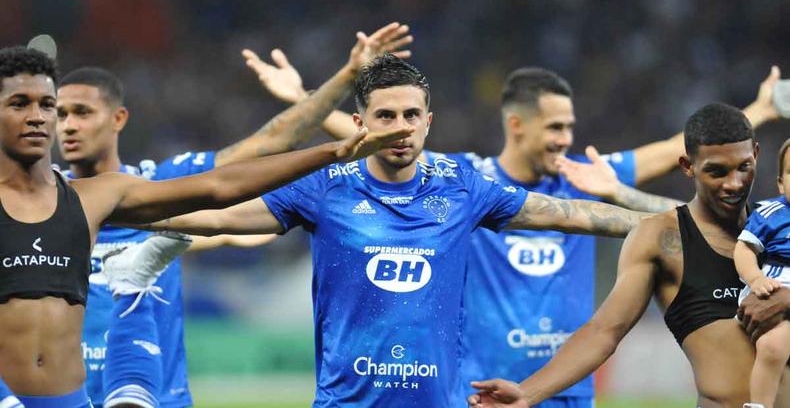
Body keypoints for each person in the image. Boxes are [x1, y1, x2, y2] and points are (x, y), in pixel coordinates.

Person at [253, 56, 784, 406]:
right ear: (517, 125)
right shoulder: (466, 183)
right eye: (556, 127)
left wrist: (758, 109)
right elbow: (392, 136)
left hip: (568, 390)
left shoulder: (581, 177)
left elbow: (697, 150)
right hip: (486, 389)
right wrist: (305, 99)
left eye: (570, 127)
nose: (566, 138)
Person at [138, 55, 651, 407]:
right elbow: (222, 215)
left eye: (411, 115)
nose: (400, 127)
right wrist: (113, 213)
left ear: (429, 121)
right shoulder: (325, 188)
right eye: (385, 115)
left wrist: (664, 226)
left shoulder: (462, 188)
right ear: (361, 122)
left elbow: (568, 214)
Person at [0, 44, 411, 408]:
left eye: (48, 106)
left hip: (107, 392)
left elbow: (223, 184)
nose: (46, 119)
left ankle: (134, 285)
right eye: (20, 103)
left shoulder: (106, 194)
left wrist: (333, 151)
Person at [467, 103, 790, 408]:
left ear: (757, 155)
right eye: (717, 172)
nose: (734, 184)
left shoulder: (779, 224)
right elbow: (604, 332)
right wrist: (527, 393)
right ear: (687, 167)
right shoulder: (661, 239)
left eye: (743, 168)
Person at [732, 138, 790, 408]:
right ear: (780, 183)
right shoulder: (771, 213)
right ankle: (758, 405)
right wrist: (755, 279)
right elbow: (744, 249)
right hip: (772, 284)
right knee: (773, 346)